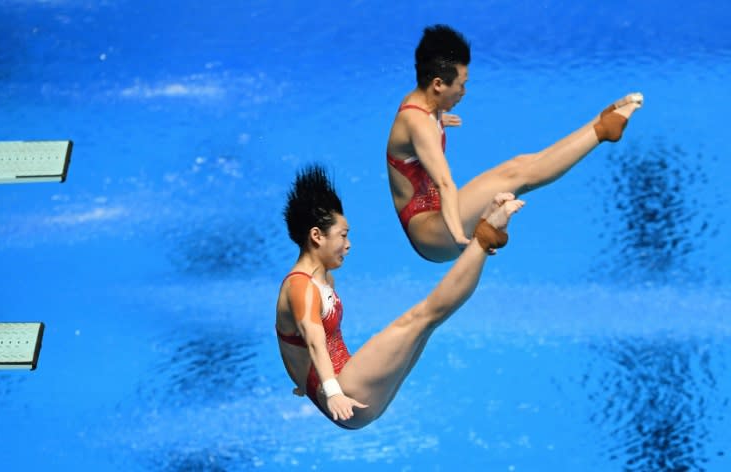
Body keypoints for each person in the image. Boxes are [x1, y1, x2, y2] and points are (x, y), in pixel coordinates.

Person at [275, 165, 524, 429]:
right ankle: (486, 235)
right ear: (316, 236)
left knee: (427, 325)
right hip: (346, 395)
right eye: (343, 235)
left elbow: (293, 341)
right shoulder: (300, 287)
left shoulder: (322, 278)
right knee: (423, 316)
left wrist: (303, 380)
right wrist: (332, 392)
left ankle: (482, 234)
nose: (348, 245)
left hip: (353, 393)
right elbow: (314, 342)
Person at [386, 24, 643, 262]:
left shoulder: (425, 102)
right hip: (432, 235)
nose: (464, 92)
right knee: (516, 175)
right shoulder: (418, 123)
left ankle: (600, 122)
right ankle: (601, 130)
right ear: (438, 84)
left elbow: (418, 132)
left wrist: (440, 119)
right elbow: (444, 182)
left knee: (519, 162)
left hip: (436, 215)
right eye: (461, 86)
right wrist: (459, 237)